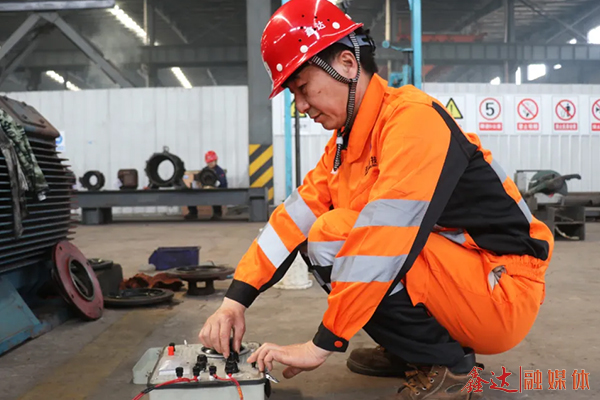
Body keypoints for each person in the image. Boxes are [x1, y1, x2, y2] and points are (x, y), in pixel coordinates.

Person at [198, 1, 554, 398]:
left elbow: (383, 244)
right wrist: (235, 301)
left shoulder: (413, 121)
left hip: (502, 290)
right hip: (462, 279)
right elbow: (291, 220)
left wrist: (322, 344)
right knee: (321, 232)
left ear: (348, 64)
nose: (300, 105)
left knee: (336, 235)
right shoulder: (348, 143)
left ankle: (449, 367)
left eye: (302, 87)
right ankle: (411, 350)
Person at [186, 150, 228, 220]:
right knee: (190, 194)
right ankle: (193, 213)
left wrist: (215, 187)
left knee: (216, 195)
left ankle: (217, 213)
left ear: (216, 161)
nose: (210, 164)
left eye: (212, 162)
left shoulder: (220, 171)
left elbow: (223, 184)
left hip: (216, 191)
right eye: (209, 162)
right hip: (205, 190)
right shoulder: (205, 170)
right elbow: (199, 178)